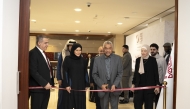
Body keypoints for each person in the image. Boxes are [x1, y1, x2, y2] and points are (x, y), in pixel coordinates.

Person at [92, 41, 123, 109]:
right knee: (104, 107)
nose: (108, 50)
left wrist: (115, 84)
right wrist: (101, 85)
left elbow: (120, 73)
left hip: (114, 87)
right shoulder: (97, 60)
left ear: (112, 49)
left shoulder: (118, 59)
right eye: (106, 48)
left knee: (114, 107)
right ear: (103, 49)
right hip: (103, 87)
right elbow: (94, 74)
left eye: (109, 48)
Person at [29, 35, 54, 109]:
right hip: (38, 89)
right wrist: (44, 83)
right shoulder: (33, 53)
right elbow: (33, 71)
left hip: (45, 88)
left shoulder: (43, 53)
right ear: (39, 43)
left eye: (48, 43)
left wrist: (50, 83)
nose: (47, 45)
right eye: (45, 43)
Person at [131, 44, 160, 109]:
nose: (143, 52)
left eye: (145, 51)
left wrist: (157, 84)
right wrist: (133, 83)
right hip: (139, 86)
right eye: (142, 51)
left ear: (148, 51)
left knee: (149, 106)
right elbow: (136, 73)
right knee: (137, 104)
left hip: (149, 87)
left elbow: (156, 73)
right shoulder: (138, 60)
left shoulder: (152, 60)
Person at [62, 43, 90, 109]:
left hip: (81, 86)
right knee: (70, 104)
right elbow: (65, 72)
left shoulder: (83, 60)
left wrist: (87, 84)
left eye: (80, 50)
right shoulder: (67, 59)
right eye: (76, 50)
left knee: (80, 105)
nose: (78, 52)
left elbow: (85, 72)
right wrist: (66, 85)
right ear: (73, 50)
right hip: (71, 86)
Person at [56, 39, 76, 109]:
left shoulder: (77, 54)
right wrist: (59, 78)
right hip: (63, 79)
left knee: (71, 99)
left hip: (73, 81)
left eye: (73, 46)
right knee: (62, 98)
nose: (71, 47)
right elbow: (59, 66)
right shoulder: (63, 53)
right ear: (67, 46)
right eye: (70, 46)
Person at [150, 43, 167, 108]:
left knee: (158, 101)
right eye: (151, 49)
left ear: (157, 50)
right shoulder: (149, 59)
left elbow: (165, 71)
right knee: (149, 101)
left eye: (154, 49)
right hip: (150, 83)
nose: (152, 51)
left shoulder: (161, 59)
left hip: (158, 84)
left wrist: (163, 84)